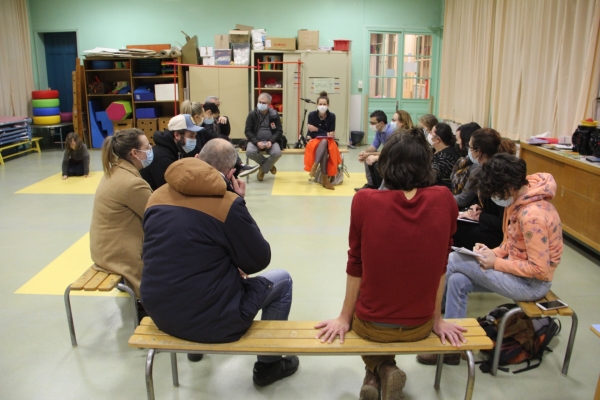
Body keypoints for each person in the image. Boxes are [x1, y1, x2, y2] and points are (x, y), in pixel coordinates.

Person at [316, 129, 466, 400]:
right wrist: (437, 319)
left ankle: (380, 368)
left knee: (368, 324)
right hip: (420, 324)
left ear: (385, 164)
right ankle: (379, 374)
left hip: (372, 325)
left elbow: (356, 265)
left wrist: (343, 318)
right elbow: (441, 265)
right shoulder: (444, 199)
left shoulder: (364, 201)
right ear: (425, 164)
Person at [140, 139, 299, 386]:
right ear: (230, 174)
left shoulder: (157, 195)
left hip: (160, 312)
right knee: (283, 280)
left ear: (197, 159)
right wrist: (240, 203)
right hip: (214, 321)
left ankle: (195, 350)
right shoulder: (228, 204)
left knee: (193, 266)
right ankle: (269, 366)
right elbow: (259, 260)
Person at [418, 154, 563, 365]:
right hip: (517, 273)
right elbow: (511, 243)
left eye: (495, 193)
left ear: (509, 188)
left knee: (454, 260)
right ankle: (452, 346)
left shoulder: (532, 216)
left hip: (532, 284)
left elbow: (538, 269)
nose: (495, 197)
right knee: (458, 280)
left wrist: (496, 263)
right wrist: (492, 252)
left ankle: (428, 320)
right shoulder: (521, 199)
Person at [90, 129, 153, 299]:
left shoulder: (115, 171)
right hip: (119, 254)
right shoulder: (132, 184)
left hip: (103, 249)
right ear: (134, 153)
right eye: (147, 147)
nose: (150, 150)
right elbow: (157, 217)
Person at [453, 129, 516, 250]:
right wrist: (478, 207)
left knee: (454, 229)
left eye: (470, 147)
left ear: (478, 151)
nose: (469, 150)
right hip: (489, 223)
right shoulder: (487, 170)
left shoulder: (498, 175)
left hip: (501, 234)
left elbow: (506, 220)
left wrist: (480, 217)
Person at [140, 114, 201, 190]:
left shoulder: (176, 150)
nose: (194, 139)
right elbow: (169, 190)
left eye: (195, 136)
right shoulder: (162, 158)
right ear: (177, 135)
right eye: (191, 136)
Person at [303, 91, 342, 190]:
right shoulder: (311, 115)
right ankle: (325, 179)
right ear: (317, 105)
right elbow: (312, 133)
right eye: (320, 104)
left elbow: (331, 133)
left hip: (329, 142)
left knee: (324, 141)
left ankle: (315, 166)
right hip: (314, 141)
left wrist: (317, 130)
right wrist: (325, 133)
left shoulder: (332, 116)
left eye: (324, 104)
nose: (322, 106)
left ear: (328, 105)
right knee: (324, 144)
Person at [244, 93, 283, 181]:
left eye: (264, 103)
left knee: (277, 153)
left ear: (269, 104)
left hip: (270, 141)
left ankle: (263, 169)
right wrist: (256, 141)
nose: (261, 104)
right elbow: (247, 130)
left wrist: (271, 141)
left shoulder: (274, 114)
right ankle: (269, 165)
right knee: (249, 152)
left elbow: (279, 131)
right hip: (255, 140)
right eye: (259, 102)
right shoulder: (252, 114)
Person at [355, 110, 396, 191]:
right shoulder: (379, 131)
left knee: (375, 164)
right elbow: (373, 146)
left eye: (373, 123)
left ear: (381, 123)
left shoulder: (390, 132)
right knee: (368, 157)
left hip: (392, 155)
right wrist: (364, 152)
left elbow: (387, 152)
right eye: (370, 123)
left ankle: (379, 187)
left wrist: (370, 154)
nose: (371, 125)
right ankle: (371, 184)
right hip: (387, 153)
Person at [451, 122, 482, 206]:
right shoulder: (463, 161)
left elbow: (463, 199)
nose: (457, 143)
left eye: (458, 139)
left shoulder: (477, 167)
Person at [430, 123, 460, 189]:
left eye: (431, 133)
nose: (429, 135)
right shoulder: (435, 150)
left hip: (441, 191)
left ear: (438, 139)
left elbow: (432, 177)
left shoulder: (447, 157)